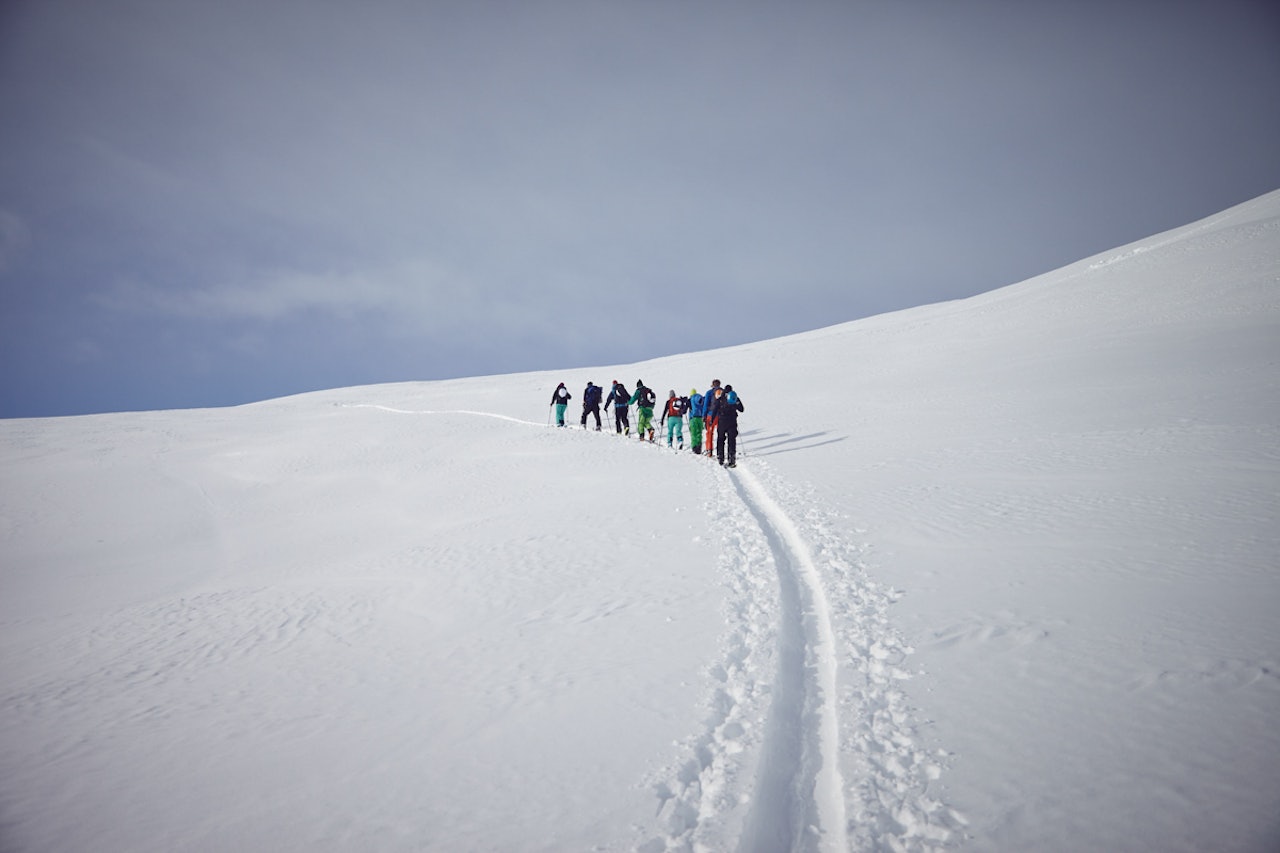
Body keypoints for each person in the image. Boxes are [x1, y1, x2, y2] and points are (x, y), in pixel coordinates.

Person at [711, 383, 745, 467]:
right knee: (732, 440)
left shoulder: (720, 398)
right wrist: (737, 403)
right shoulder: (735, 398)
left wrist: (712, 420)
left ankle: (720, 457)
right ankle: (732, 459)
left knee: (721, 439)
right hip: (732, 421)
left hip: (722, 421)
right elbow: (741, 409)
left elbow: (715, 409)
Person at [702, 379, 723, 458]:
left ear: (713, 385)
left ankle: (709, 450)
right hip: (721, 416)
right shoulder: (723, 392)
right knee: (721, 434)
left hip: (710, 415)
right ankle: (720, 452)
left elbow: (705, 405)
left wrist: (704, 416)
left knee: (709, 433)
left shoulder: (709, 393)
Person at [686, 387, 706, 454]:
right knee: (699, 433)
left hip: (693, 418)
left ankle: (694, 448)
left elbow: (684, 410)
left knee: (694, 433)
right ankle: (699, 447)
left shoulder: (690, 400)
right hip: (700, 418)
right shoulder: (700, 399)